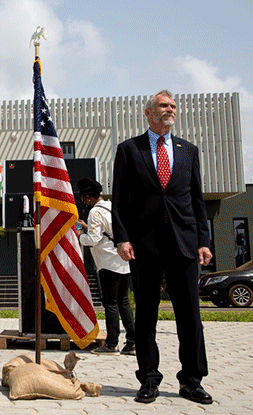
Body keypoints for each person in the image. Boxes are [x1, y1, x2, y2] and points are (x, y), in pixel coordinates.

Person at [111, 90, 213, 405]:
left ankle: (192, 380)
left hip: (184, 244)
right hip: (145, 245)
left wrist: (204, 241)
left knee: (190, 315)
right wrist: (123, 238)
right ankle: (149, 379)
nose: (169, 110)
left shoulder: (189, 151)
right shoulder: (129, 150)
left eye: (172, 106)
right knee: (147, 316)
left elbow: (197, 200)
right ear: (149, 113)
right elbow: (120, 201)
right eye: (163, 105)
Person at [76, 177, 135, 356]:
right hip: (123, 262)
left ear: (87, 197)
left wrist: (79, 234)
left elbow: (93, 239)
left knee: (110, 303)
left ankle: (111, 344)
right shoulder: (112, 207)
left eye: (84, 199)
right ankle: (132, 342)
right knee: (123, 302)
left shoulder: (95, 212)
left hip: (107, 263)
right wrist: (88, 227)